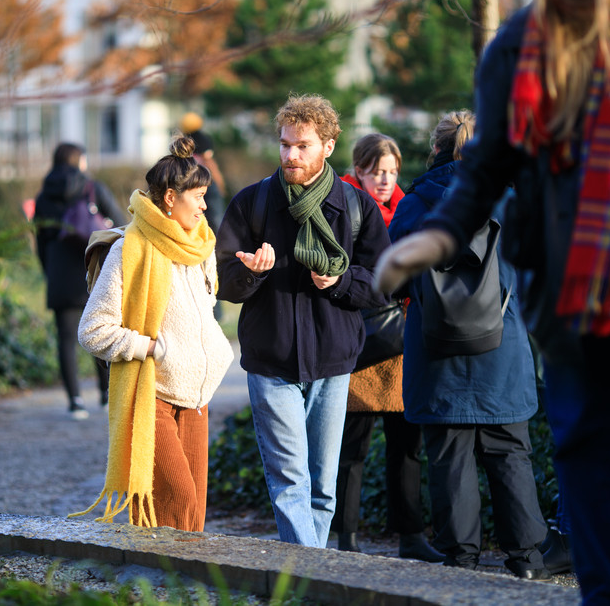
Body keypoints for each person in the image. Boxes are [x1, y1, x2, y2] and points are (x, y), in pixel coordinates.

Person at [376, 0, 610, 598]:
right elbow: (486, 165)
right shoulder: (518, 44)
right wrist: (436, 234)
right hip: (566, 287)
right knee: (585, 453)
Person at [216, 94, 391, 548]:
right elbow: (221, 280)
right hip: (272, 361)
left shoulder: (356, 207)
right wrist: (250, 273)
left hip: (333, 361)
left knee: (322, 484)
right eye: (285, 144)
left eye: (303, 146)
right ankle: (309, 577)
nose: (290, 155)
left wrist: (338, 281)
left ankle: (308, 576)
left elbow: (384, 283)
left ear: (328, 147)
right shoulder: (253, 202)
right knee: (290, 480)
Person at [388, 111, 550, 580]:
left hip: (436, 349)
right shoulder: (512, 198)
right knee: (510, 453)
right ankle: (527, 561)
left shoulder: (415, 204)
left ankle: (461, 563)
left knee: (448, 457)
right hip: (501, 347)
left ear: (435, 149)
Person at [72, 136, 233, 532]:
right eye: (196, 196)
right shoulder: (131, 249)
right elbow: (92, 330)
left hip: (197, 400)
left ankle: (177, 587)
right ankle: (161, 586)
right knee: (177, 501)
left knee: (192, 513)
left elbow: (203, 311)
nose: (204, 205)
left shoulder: (202, 247)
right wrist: (149, 347)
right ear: (169, 198)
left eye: (205, 196)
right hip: (153, 397)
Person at [335, 133, 443, 563]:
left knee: (406, 445)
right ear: (358, 170)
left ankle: (411, 535)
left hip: (400, 344)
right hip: (358, 343)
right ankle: (345, 536)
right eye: (377, 171)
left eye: (392, 171)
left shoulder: (408, 207)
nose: (385, 179)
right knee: (351, 449)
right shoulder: (340, 205)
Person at [33, 142, 126, 419]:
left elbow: (40, 241)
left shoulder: (43, 197)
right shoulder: (92, 187)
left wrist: (48, 272)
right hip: (95, 270)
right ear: (79, 161)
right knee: (102, 329)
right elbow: (121, 224)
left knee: (65, 339)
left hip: (60, 273)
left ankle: (75, 401)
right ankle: (106, 394)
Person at [180, 112, 226, 232]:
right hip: (207, 181)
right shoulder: (204, 139)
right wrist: (219, 181)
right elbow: (210, 162)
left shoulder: (183, 142)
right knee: (215, 216)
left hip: (189, 183)